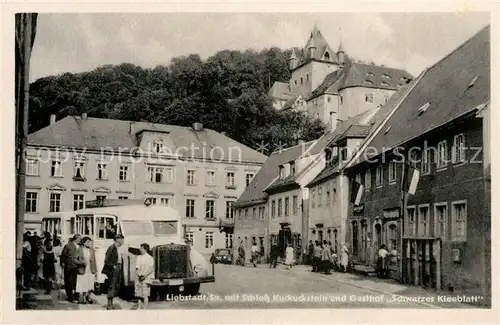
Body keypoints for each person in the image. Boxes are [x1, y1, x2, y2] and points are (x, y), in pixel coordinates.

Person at [102, 234, 125, 310]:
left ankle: (111, 303)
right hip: (113, 269)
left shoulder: (118, 248)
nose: (123, 241)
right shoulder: (112, 248)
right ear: (117, 239)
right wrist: (113, 266)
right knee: (111, 286)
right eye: (122, 239)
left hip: (118, 268)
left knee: (115, 285)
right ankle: (109, 305)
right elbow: (106, 260)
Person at [76, 237, 97, 304]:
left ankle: (88, 296)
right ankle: (84, 298)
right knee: (84, 283)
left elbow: (94, 260)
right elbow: (75, 259)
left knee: (90, 283)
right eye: (88, 242)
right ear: (84, 243)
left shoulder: (91, 250)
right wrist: (82, 262)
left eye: (90, 242)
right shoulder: (80, 249)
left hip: (90, 269)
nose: (89, 243)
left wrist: (95, 271)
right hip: (83, 269)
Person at [61, 234, 81, 302]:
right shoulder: (68, 245)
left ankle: (76, 296)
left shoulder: (80, 246)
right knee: (69, 281)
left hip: (77, 266)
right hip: (69, 266)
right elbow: (63, 255)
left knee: (77, 282)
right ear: (75, 239)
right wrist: (63, 263)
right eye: (79, 239)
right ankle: (70, 296)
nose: (80, 240)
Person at [135, 243, 154, 309]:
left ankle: (145, 308)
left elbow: (151, 269)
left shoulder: (150, 258)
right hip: (139, 278)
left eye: (141, 248)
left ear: (145, 249)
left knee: (145, 295)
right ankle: (139, 308)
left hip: (147, 279)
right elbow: (137, 268)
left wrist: (144, 276)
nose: (140, 250)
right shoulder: (139, 257)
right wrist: (139, 275)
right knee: (139, 295)